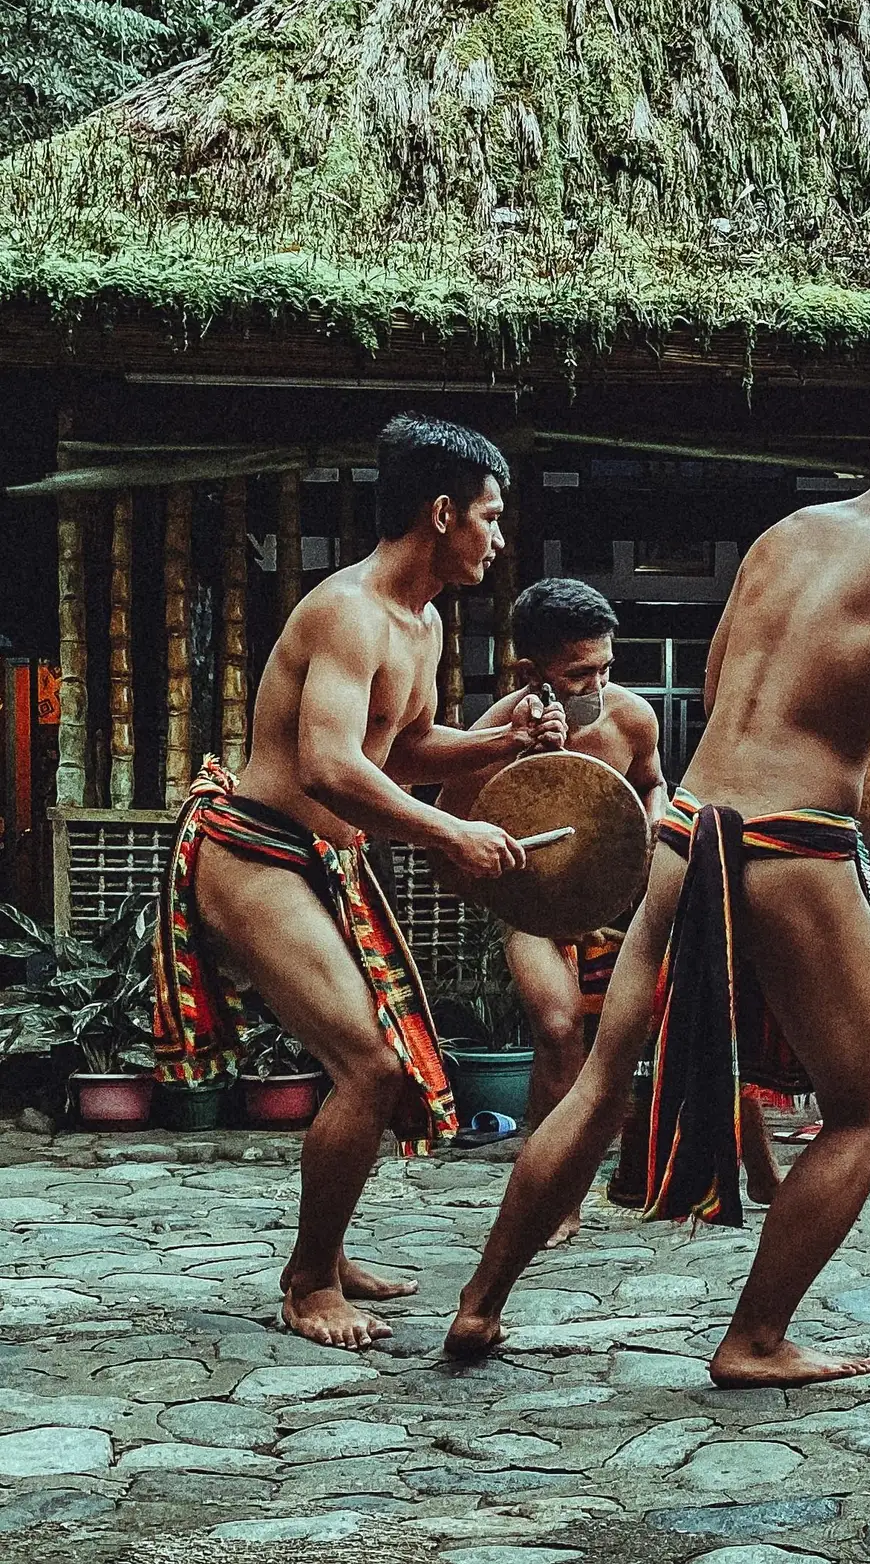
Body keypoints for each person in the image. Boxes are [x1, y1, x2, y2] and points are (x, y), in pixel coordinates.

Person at [448, 346, 870, 1385]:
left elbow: (717, 685)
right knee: (862, 1103)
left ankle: (480, 1305)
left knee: (600, 1080)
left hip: (688, 826)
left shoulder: (783, 537)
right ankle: (755, 1336)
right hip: (793, 846)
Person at [153, 417, 558, 1349]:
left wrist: (500, 741)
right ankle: (306, 1285)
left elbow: (402, 745)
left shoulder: (422, 620)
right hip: (254, 851)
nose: (498, 539)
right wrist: (450, 830)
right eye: (490, 518)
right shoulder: (347, 610)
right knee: (370, 1066)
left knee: (383, 1066)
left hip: (324, 862)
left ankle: (329, 1256)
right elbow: (331, 766)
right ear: (443, 511)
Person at [443, 577, 670, 1246]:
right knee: (558, 1024)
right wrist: (520, 761)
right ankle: (551, 1194)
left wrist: (653, 819)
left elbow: (653, 780)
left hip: (620, 901)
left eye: (605, 667)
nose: (596, 685)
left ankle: (614, 1171)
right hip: (534, 910)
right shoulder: (491, 733)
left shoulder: (632, 718)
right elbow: (449, 828)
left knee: (633, 1039)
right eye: (578, 673)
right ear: (529, 670)